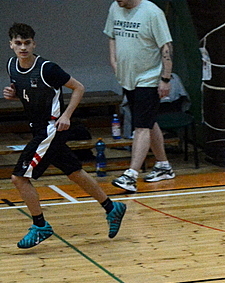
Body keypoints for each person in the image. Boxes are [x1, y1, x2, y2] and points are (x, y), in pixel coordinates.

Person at [5, 23, 126, 249]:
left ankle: (40, 225)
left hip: (51, 129)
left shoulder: (48, 68)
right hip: (38, 128)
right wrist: (14, 94)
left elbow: (79, 87)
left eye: (27, 43)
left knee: (19, 178)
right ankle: (112, 208)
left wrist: (66, 115)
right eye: (18, 43)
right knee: (74, 172)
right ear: (11, 44)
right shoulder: (12, 65)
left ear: (34, 44)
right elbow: (27, 92)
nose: (23, 48)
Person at [105, 0, 175, 192]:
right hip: (128, 77)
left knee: (141, 126)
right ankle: (163, 166)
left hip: (149, 78)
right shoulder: (115, 7)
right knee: (148, 121)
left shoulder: (152, 13)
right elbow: (111, 36)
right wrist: (113, 60)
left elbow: (166, 46)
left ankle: (131, 175)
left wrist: (165, 78)